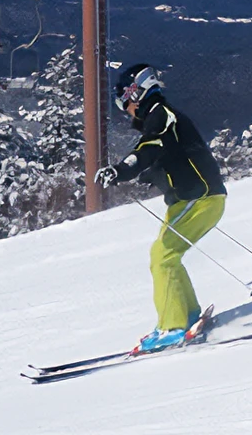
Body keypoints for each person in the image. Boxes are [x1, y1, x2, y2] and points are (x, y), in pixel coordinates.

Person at [96, 64, 229, 353]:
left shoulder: (161, 116)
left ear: (136, 93)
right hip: (190, 198)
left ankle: (172, 326)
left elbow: (149, 148)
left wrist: (122, 170)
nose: (126, 111)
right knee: (166, 256)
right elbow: (169, 153)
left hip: (200, 198)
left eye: (125, 103)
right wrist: (149, 174)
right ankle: (188, 315)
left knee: (162, 256)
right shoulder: (161, 118)